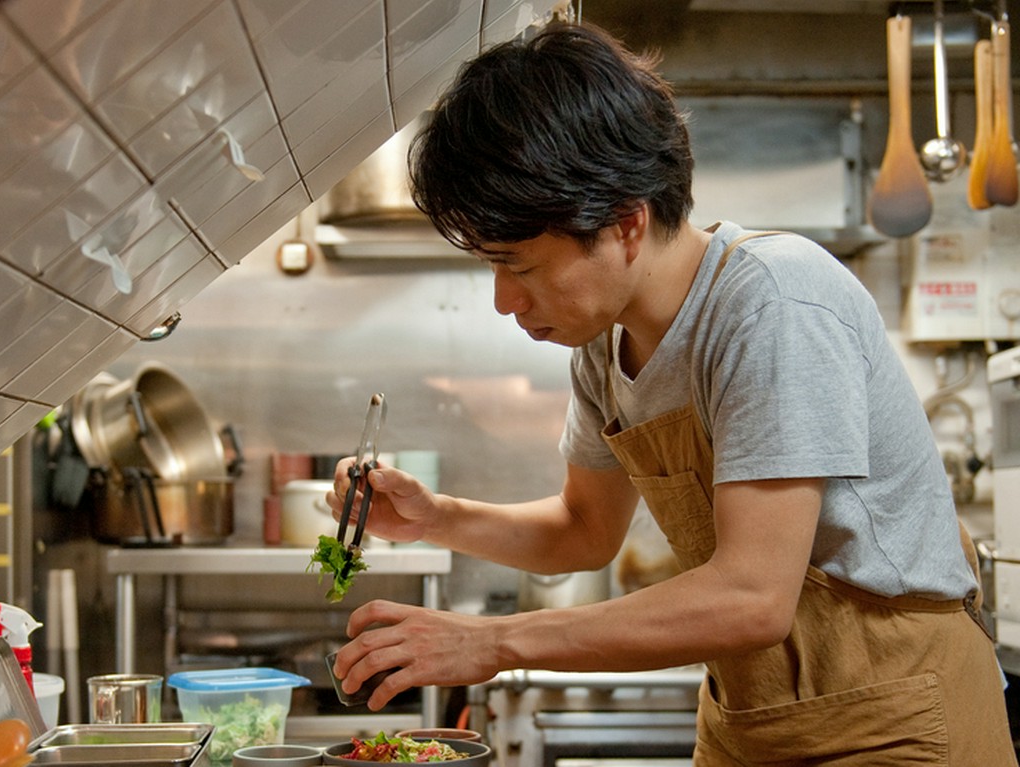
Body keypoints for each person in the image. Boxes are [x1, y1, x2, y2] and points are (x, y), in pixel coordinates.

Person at [327, 22, 1017, 765]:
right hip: (750, 720)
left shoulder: (773, 303)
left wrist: (492, 641)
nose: (503, 299)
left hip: (898, 716)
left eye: (519, 266)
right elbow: (583, 531)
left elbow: (752, 595)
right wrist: (438, 516)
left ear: (626, 224)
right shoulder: (601, 345)